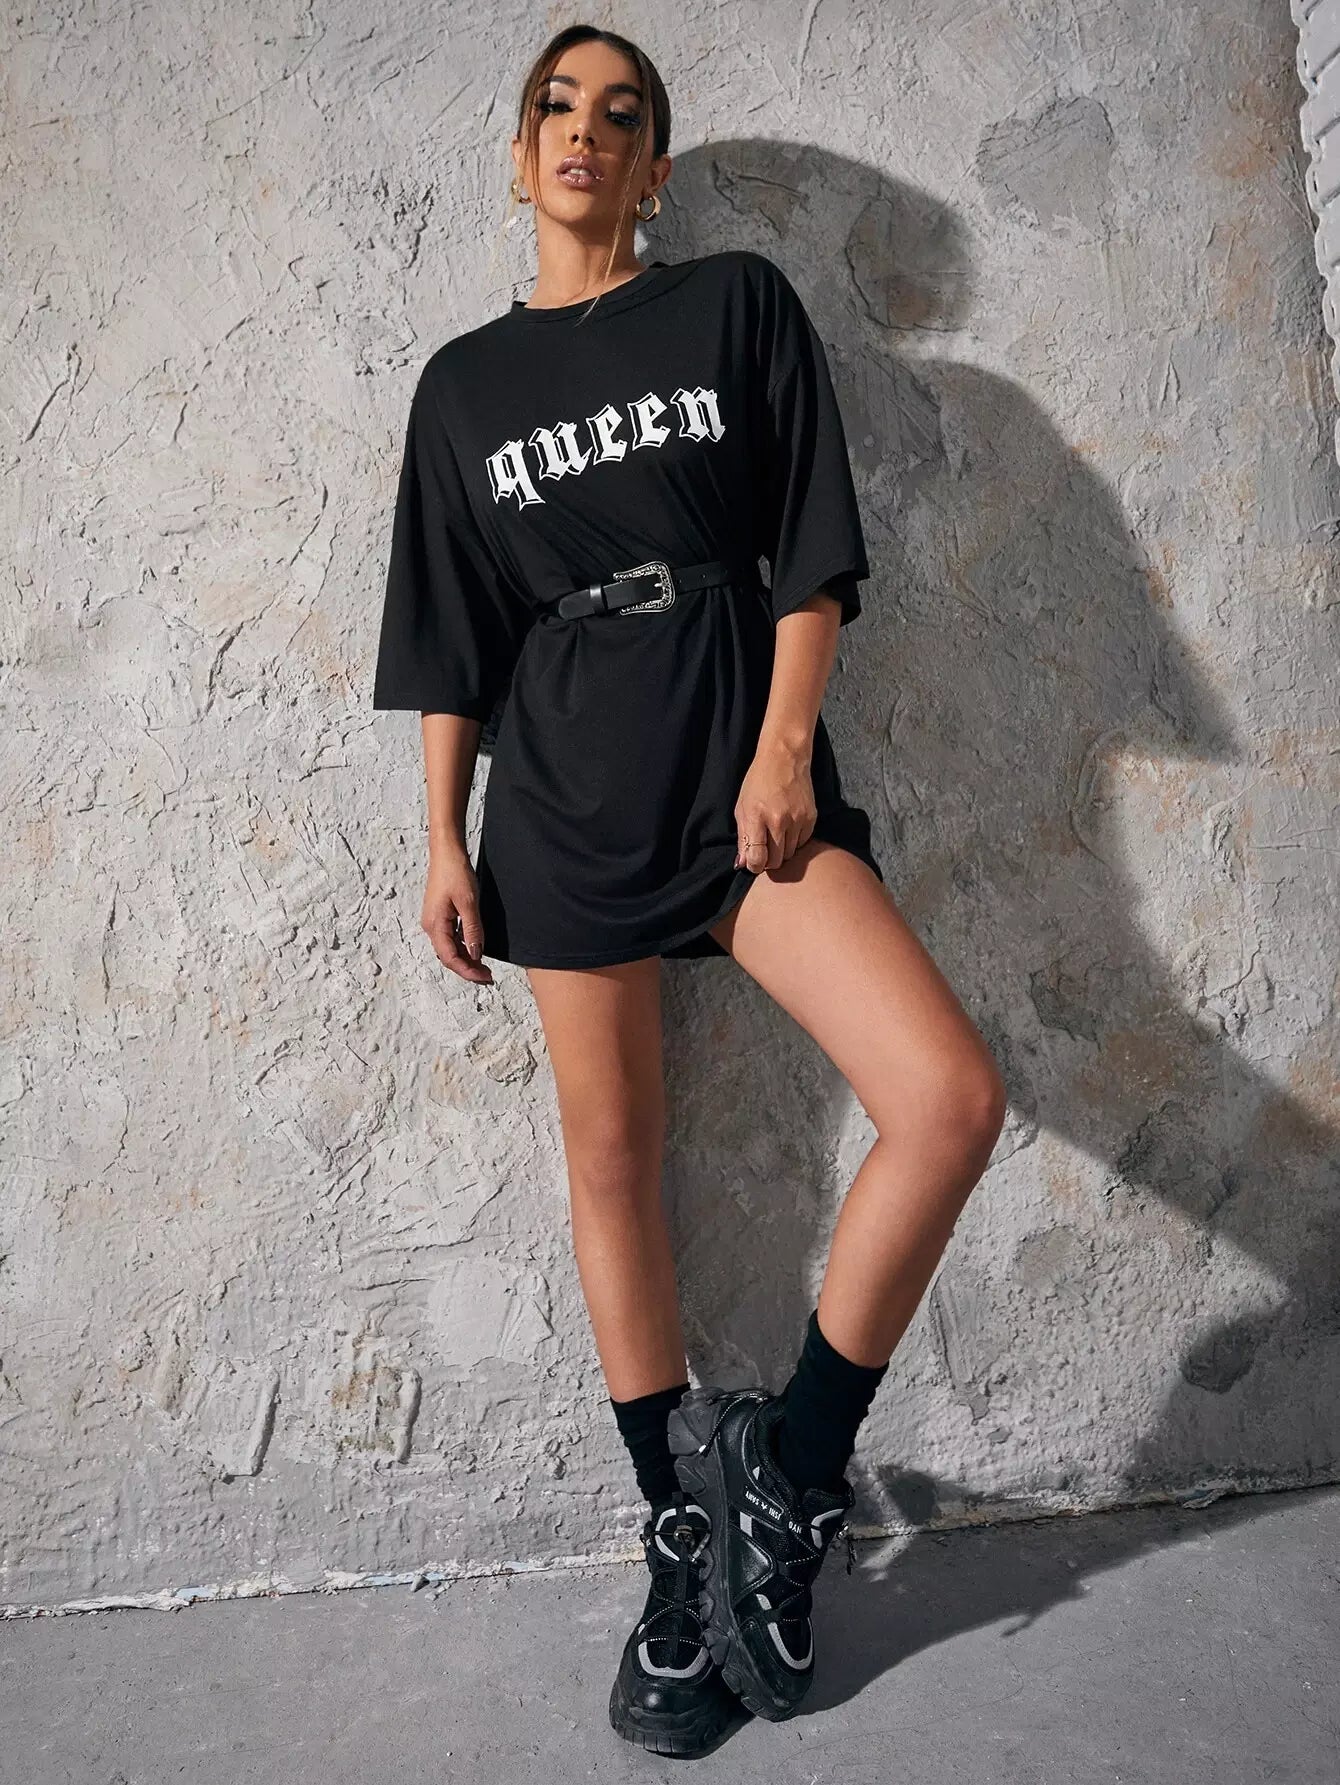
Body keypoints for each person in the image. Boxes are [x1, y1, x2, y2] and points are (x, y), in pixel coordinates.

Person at [372, 21, 1007, 1758]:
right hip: (562, 789)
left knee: (947, 1098)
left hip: (737, 759)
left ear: (655, 167)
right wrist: (442, 834)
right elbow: (451, 637)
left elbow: (810, 546)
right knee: (611, 1155)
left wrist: (786, 743)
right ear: (520, 156)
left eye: (621, 113)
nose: (584, 131)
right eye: (555, 108)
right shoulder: (461, 388)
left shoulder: (734, 307)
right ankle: (677, 1531)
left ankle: (789, 1473)